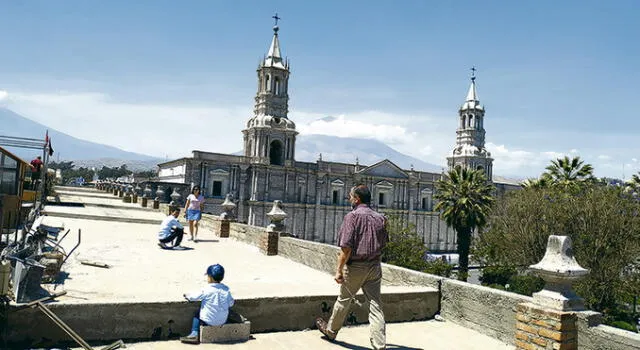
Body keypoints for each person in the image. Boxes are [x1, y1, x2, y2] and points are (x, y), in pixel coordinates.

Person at [315, 184, 389, 350]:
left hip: (356, 266)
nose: (349, 199)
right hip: (375, 266)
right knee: (376, 305)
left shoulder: (352, 217)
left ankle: (331, 331)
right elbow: (383, 243)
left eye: (350, 197)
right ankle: (379, 344)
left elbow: (346, 248)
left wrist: (338, 270)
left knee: (344, 300)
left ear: (357, 199)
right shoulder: (381, 218)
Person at [180, 264, 235, 344]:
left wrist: (187, 295)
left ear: (210, 277)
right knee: (226, 310)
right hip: (223, 320)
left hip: (208, 321)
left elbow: (194, 297)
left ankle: (194, 334)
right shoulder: (226, 290)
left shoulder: (207, 289)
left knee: (197, 314)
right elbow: (231, 303)